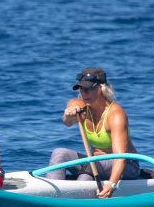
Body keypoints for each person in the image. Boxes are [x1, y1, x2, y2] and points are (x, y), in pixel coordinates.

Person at [46, 66, 140, 198]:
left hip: (126, 166)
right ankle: (50, 195)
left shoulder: (115, 114)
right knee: (59, 153)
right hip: (95, 164)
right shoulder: (81, 107)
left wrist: (111, 184)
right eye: (81, 89)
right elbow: (67, 121)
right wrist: (69, 113)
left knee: (89, 169)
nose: (84, 93)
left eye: (88, 89)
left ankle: (72, 199)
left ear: (101, 88)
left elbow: (120, 157)